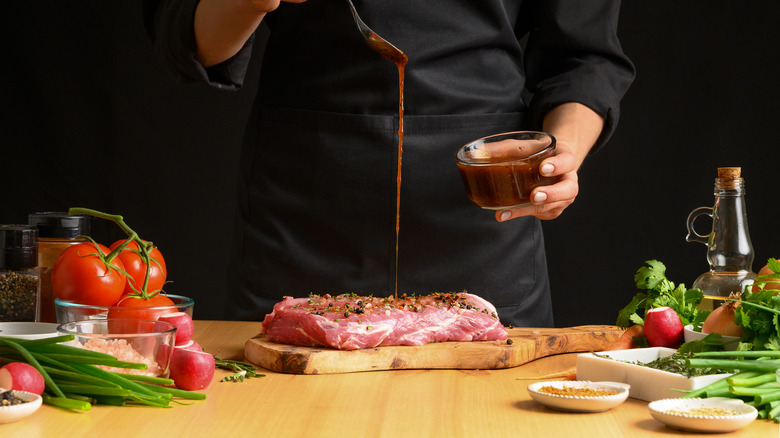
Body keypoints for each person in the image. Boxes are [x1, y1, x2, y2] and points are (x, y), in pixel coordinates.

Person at [143, 0, 635, 327]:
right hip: (305, 216)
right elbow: (186, 37)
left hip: (481, 217)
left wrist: (561, 153)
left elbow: (584, 57)